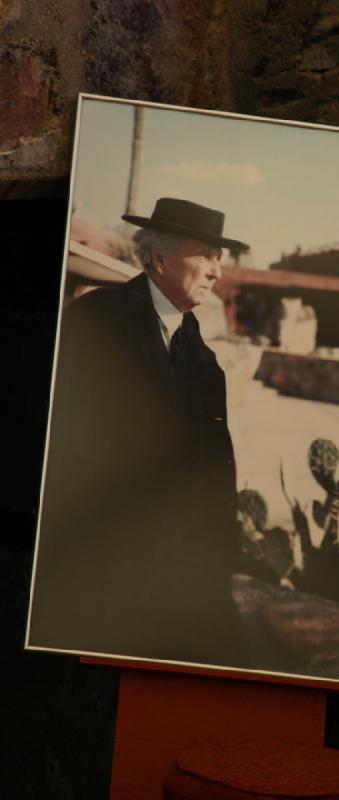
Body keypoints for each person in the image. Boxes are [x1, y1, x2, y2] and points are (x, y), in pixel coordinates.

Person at [28, 198, 250, 667]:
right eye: (207, 255)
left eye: (219, 259)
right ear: (162, 257)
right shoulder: (96, 323)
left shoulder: (205, 362)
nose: (217, 272)